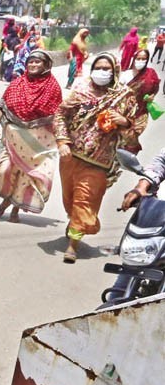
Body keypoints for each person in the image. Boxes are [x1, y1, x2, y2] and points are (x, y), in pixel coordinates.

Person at [54, 52, 146, 263]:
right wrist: (62, 141)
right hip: (71, 155)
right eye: (99, 67)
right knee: (70, 200)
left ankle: (73, 245)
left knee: (84, 201)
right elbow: (61, 114)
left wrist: (124, 122)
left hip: (99, 162)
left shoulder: (124, 96)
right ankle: (75, 222)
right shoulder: (80, 90)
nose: (102, 72)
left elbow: (134, 131)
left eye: (107, 69)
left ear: (115, 71)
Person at [0, 50, 63, 222]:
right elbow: (2, 105)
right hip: (12, 135)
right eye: (31, 62)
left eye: (38, 62)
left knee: (26, 174)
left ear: (46, 65)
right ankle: (7, 199)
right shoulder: (17, 83)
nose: (34, 65)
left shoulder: (52, 87)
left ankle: (15, 207)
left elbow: (58, 115)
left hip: (38, 139)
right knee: (4, 169)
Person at [119, 49, 160, 154]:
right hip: (125, 111)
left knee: (134, 132)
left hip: (141, 112)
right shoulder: (125, 75)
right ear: (134, 59)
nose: (141, 61)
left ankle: (128, 153)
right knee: (122, 134)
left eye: (144, 59)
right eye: (139, 58)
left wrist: (152, 96)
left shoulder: (151, 73)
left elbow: (155, 88)